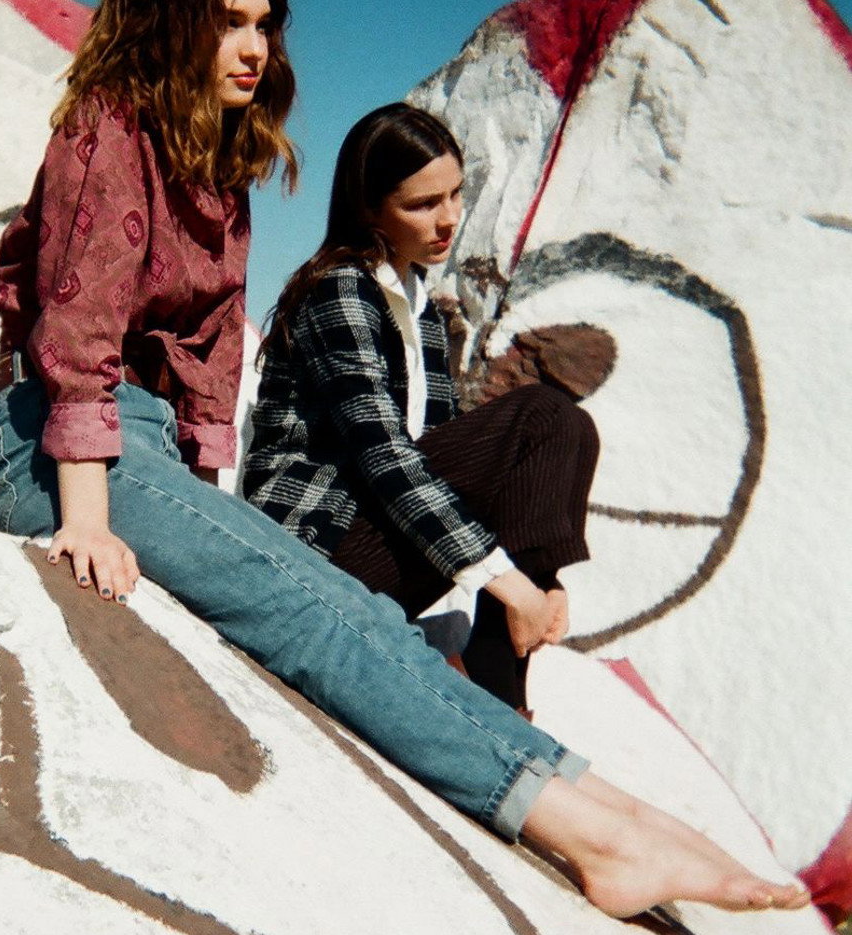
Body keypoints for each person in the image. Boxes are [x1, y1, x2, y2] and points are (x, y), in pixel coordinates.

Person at [0, 0, 807, 919]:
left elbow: (207, 367)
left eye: (264, 24)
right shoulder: (108, 127)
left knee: (358, 612)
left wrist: (202, 510)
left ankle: (610, 805)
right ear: (171, 26)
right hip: (61, 454)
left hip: (141, 456)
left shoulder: (220, 172)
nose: (255, 47)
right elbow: (76, 331)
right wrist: (88, 519)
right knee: (316, 615)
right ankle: (586, 831)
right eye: (229, 22)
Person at [245, 102, 597, 714]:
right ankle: (499, 694)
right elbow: (386, 458)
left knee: (570, 425)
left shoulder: (422, 311)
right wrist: (510, 584)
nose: (449, 218)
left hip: (369, 538)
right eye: (423, 204)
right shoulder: (340, 289)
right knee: (543, 416)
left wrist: (542, 577)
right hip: (312, 548)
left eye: (456, 194)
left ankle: (502, 702)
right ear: (368, 208)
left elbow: (450, 461)